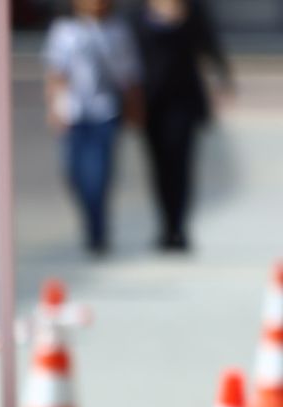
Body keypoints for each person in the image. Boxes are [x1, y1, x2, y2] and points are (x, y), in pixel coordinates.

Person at [131, 0, 234, 251]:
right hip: (152, 103)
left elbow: (209, 45)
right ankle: (166, 225)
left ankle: (179, 227)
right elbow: (126, 56)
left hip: (184, 102)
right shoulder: (137, 13)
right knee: (159, 167)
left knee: (182, 166)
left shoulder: (193, 10)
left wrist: (223, 77)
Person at [44, 0, 144, 254]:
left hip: (105, 111)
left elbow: (128, 74)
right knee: (75, 174)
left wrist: (134, 108)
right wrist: (55, 107)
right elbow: (55, 72)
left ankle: (98, 232)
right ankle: (90, 221)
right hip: (74, 112)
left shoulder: (117, 31)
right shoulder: (64, 30)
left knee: (98, 175)